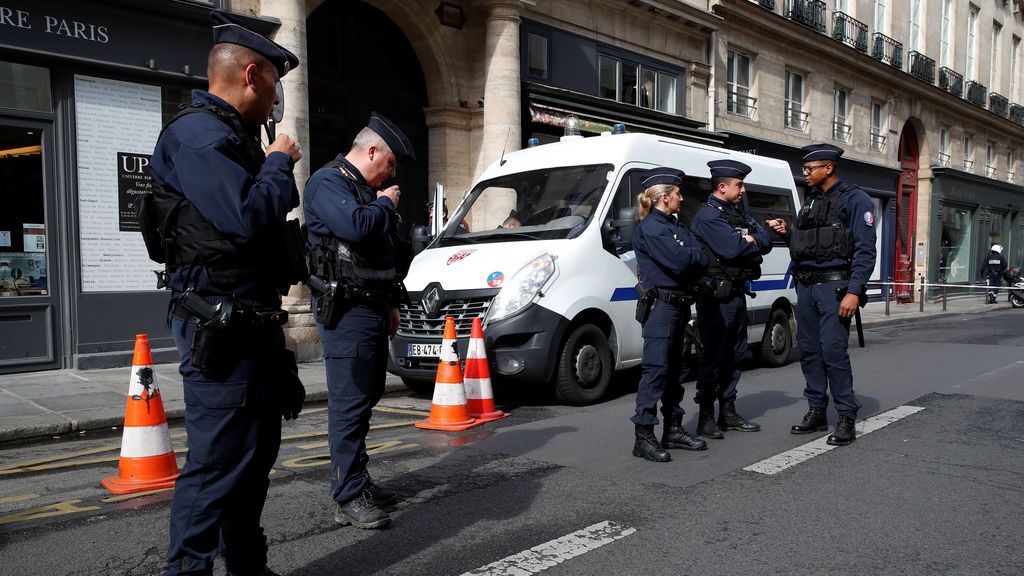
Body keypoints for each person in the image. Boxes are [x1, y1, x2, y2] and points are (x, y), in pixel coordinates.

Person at [146, 11, 304, 576]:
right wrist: (279, 163)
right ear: (253, 75)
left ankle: (246, 567)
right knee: (215, 467)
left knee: (252, 459)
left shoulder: (227, 139)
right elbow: (247, 219)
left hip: (250, 323)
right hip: (221, 326)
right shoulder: (197, 136)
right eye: (275, 87)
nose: (276, 103)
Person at [303, 112, 415, 529]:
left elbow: (378, 255)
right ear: (372, 151)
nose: (391, 175)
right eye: (390, 164)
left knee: (365, 400)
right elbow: (357, 228)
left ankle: (358, 479)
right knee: (349, 406)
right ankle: (348, 494)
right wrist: (385, 204)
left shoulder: (360, 190)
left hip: (369, 308)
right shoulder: (328, 183)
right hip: (346, 313)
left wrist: (390, 302)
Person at [771, 143, 876, 447]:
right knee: (809, 351)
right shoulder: (811, 201)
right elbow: (807, 243)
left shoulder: (856, 200)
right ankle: (817, 409)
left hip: (835, 288)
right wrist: (787, 233)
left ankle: (845, 414)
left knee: (833, 351)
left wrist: (854, 291)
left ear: (828, 168)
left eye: (809, 169)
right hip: (805, 285)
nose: (805, 174)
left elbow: (865, 250)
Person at [690, 159, 774, 440]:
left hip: (736, 293)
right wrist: (750, 241)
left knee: (736, 355)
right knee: (713, 357)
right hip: (716, 297)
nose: (743, 189)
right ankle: (706, 418)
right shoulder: (709, 216)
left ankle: (728, 412)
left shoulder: (737, 213)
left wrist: (754, 240)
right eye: (739, 184)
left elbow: (765, 239)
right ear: (722, 186)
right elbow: (733, 247)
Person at [631, 167, 709, 462]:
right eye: (677, 193)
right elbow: (680, 261)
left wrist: (692, 255)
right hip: (660, 307)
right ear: (664, 197)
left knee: (675, 370)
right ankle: (644, 436)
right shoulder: (652, 227)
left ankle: (673, 428)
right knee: (655, 370)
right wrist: (692, 255)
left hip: (678, 305)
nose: (681, 197)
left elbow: (698, 256)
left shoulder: (674, 226)